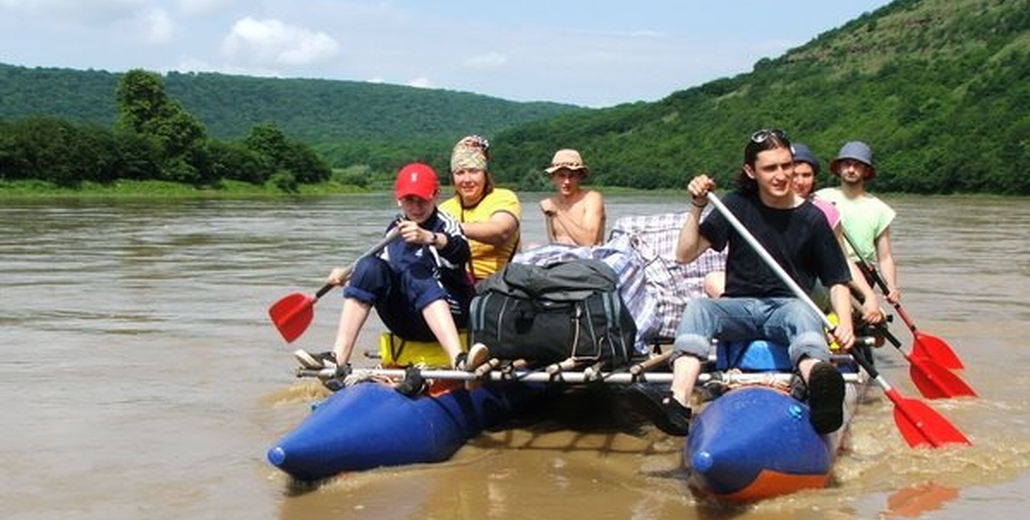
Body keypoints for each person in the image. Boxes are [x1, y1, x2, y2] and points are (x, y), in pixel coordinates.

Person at [661, 129, 855, 437]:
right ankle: (679, 401)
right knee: (699, 307)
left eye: (786, 165)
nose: (781, 175)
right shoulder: (736, 205)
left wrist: (845, 323)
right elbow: (685, 254)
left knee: (803, 313)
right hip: (738, 306)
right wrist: (697, 206)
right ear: (751, 172)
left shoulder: (813, 218)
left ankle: (820, 384)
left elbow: (837, 279)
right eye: (770, 168)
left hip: (786, 307)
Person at [296, 162, 475, 387]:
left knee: (415, 272)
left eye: (423, 200)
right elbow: (379, 277)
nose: (416, 207)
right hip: (406, 319)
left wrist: (428, 237)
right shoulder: (394, 229)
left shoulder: (445, 224)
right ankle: (337, 359)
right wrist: (347, 277)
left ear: (435, 196)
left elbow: (462, 252)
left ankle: (459, 360)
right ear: (398, 198)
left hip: (450, 311)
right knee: (368, 266)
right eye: (410, 200)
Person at [816, 141, 901, 304]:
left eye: (857, 165)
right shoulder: (820, 198)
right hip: (825, 265)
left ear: (866, 171)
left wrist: (891, 286)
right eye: (847, 164)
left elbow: (885, 256)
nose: (851, 169)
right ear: (839, 168)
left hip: (862, 271)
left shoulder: (880, 210)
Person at [439, 135, 522, 282]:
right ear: (452, 178)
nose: (467, 180)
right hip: (458, 283)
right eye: (460, 173)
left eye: (473, 171)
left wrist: (450, 227)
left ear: (485, 174)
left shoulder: (504, 197)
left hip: (499, 284)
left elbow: (501, 232)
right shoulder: (445, 209)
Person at [539, 148, 606, 246]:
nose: (567, 181)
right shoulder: (551, 203)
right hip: (560, 258)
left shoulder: (592, 199)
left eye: (572, 176)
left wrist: (558, 212)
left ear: (580, 177)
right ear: (553, 178)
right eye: (561, 176)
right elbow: (553, 242)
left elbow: (589, 242)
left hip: (588, 259)